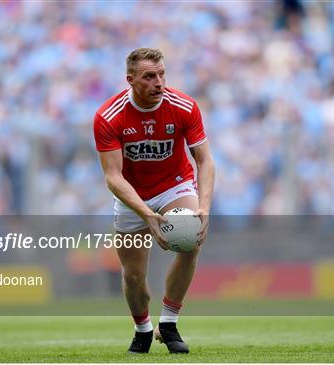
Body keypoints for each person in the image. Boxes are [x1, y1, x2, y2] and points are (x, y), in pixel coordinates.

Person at [93, 48, 215, 354]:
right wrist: (147, 214)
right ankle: (143, 329)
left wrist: (204, 208)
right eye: (149, 76)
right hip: (133, 195)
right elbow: (113, 177)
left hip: (175, 185)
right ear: (131, 80)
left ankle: (170, 324)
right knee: (134, 275)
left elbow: (205, 161)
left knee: (191, 239)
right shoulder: (109, 117)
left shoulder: (184, 106)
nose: (158, 82)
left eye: (162, 74)